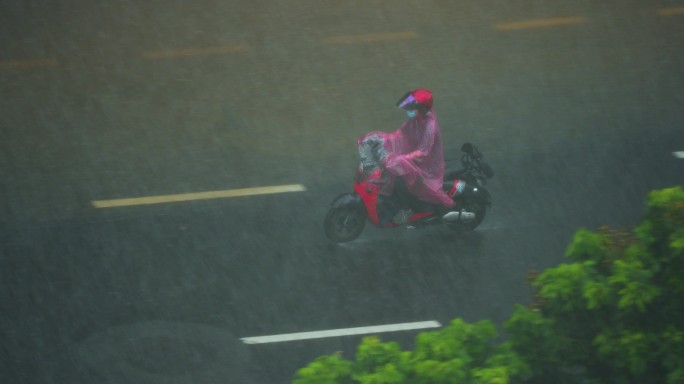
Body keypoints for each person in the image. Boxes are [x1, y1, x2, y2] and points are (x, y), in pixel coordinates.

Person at [358, 88, 457, 224]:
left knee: (399, 178)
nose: (408, 111)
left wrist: (401, 159)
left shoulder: (430, 126)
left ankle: (406, 210)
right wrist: (381, 140)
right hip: (412, 157)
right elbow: (400, 136)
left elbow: (423, 153)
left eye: (412, 108)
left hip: (425, 166)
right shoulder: (416, 119)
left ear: (421, 108)